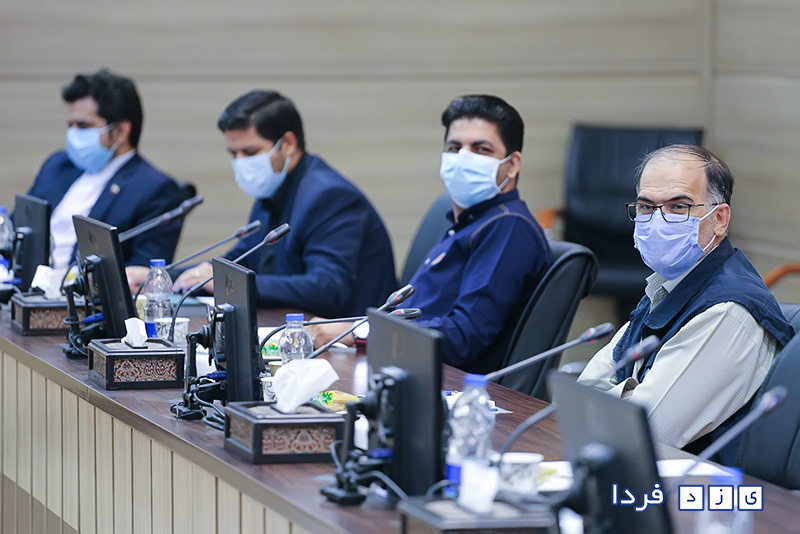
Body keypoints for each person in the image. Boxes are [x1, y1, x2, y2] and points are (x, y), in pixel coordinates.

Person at [310, 94, 553, 374]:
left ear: (512, 164)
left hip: (446, 384)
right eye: (454, 147)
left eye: (481, 149)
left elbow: (463, 337)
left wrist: (359, 332)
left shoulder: (508, 228)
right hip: (401, 367)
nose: (463, 158)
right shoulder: (469, 223)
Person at [578, 145, 793, 455]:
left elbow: (643, 430)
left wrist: (621, 396)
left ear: (719, 219)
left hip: (696, 482)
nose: (657, 221)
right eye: (646, 207)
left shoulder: (727, 311)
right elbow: (582, 395)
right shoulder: (668, 287)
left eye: (678, 207)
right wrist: (629, 395)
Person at [172, 89, 396, 318]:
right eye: (233, 154)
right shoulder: (272, 189)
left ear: (287, 143)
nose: (240, 163)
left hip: (343, 335)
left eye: (250, 152)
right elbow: (240, 260)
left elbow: (327, 288)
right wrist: (166, 276)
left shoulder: (330, 196)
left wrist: (230, 284)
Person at [25, 69, 184, 270]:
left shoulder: (155, 189)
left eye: (83, 125)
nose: (73, 133)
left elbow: (144, 273)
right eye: (70, 125)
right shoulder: (58, 165)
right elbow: (20, 226)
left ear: (121, 131)